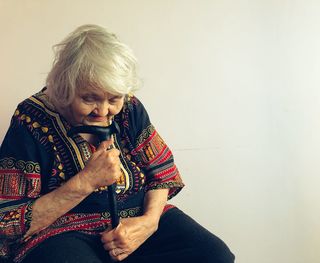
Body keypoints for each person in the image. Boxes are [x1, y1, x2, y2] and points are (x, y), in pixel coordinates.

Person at [0, 24, 235, 263]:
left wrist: (149, 223)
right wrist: (87, 181)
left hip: (135, 219)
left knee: (214, 254)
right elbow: (8, 220)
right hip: (63, 233)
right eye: (89, 98)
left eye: (113, 99)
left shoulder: (130, 107)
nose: (103, 111)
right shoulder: (31, 119)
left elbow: (162, 172)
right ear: (65, 87)